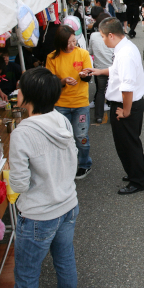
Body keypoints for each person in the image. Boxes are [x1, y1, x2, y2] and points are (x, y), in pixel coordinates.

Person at [6, 67, 80, 288]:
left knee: (26, 276)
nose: (17, 92)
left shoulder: (23, 133)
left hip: (39, 215)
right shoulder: (61, 120)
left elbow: (20, 184)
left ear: (29, 96)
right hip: (68, 204)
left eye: (20, 88)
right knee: (64, 259)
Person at [85, 18, 144, 194]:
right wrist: (99, 71)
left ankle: (138, 180)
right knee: (131, 142)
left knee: (127, 144)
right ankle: (141, 171)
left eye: (103, 36)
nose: (102, 40)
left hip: (126, 105)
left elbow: (127, 87)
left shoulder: (125, 54)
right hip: (128, 103)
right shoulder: (125, 48)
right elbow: (116, 70)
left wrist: (126, 111)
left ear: (111, 35)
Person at [45, 25, 93, 180]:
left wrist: (84, 75)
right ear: (60, 43)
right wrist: (63, 81)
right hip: (60, 104)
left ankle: (85, 164)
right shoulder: (52, 57)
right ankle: (65, 164)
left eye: (74, 41)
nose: (73, 45)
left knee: (81, 136)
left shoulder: (83, 54)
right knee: (61, 136)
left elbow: (89, 77)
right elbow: (50, 82)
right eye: (69, 43)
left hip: (80, 103)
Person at [88, 24, 114, 125]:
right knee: (114, 90)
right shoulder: (113, 36)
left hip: (99, 67)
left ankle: (98, 116)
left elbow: (90, 51)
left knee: (100, 91)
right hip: (112, 67)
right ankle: (114, 116)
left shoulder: (94, 36)